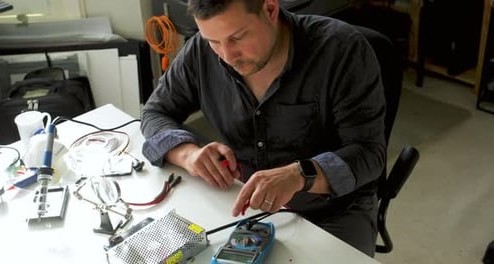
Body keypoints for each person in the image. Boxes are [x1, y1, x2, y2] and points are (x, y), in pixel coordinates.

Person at [141, 0, 386, 257]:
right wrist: (188, 154)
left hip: (331, 210)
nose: (227, 56)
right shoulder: (200, 53)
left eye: (238, 37)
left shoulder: (341, 50)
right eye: (214, 41)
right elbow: (155, 111)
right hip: (245, 202)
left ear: (270, 9)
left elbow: (369, 152)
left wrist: (299, 175)